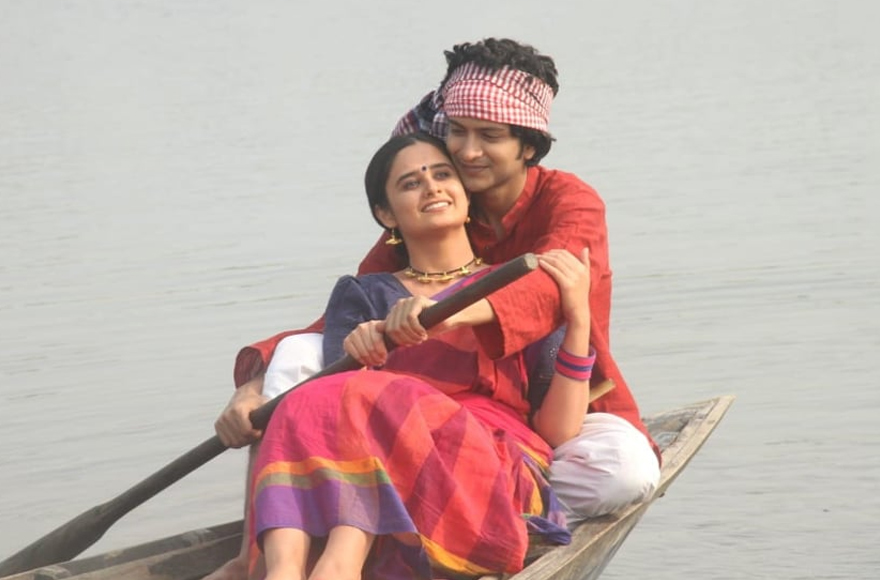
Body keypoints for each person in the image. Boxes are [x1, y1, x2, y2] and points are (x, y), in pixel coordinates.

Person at [209, 37, 660, 579]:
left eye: (489, 136)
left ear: (528, 146)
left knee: (625, 474)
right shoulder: (421, 223)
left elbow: (547, 289)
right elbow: (338, 320)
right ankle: (253, 557)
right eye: (457, 132)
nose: (467, 153)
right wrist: (252, 390)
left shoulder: (568, 201)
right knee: (306, 358)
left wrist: (436, 313)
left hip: (559, 402)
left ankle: (490, 508)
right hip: (419, 417)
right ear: (388, 214)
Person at [241, 132, 595, 580]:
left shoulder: (514, 288)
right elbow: (333, 414)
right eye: (411, 183)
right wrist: (360, 348)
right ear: (385, 214)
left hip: (486, 473)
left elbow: (559, 431)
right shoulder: (364, 295)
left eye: (443, 174)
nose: (431, 187)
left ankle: (337, 567)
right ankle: (284, 570)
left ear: (466, 193)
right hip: (376, 471)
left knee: (375, 393)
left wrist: (578, 319)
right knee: (308, 400)